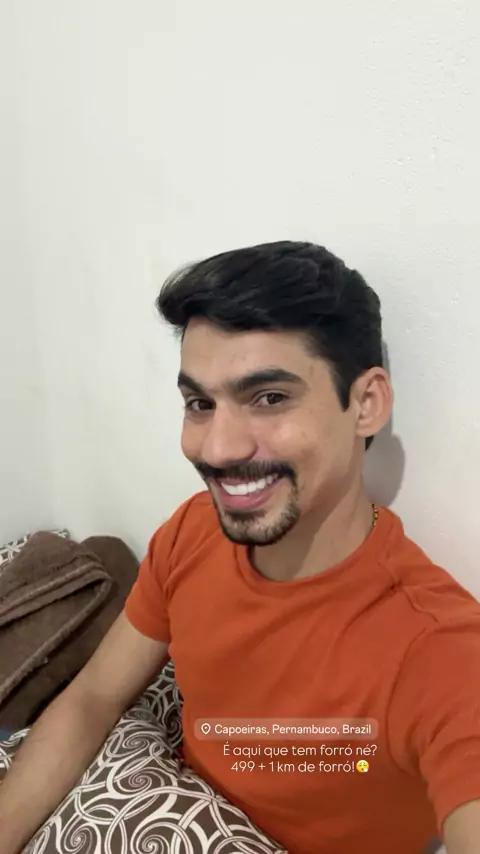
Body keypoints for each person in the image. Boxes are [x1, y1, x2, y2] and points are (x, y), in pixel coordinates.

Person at [0, 241, 479, 854]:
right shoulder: (193, 531)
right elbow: (94, 698)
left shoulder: (438, 651)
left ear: (365, 404)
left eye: (269, 398)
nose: (219, 448)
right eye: (200, 404)